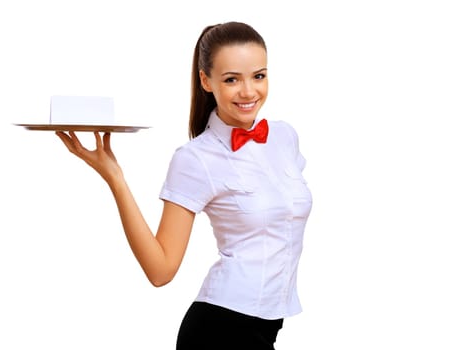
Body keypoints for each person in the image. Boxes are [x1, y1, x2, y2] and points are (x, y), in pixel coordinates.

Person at [56, 21, 312, 350]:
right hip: (222, 330)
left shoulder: (284, 137)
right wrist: (115, 178)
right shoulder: (196, 159)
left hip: (269, 326)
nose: (248, 91)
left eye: (258, 76)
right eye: (232, 79)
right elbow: (160, 270)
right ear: (206, 80)